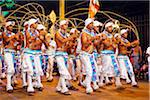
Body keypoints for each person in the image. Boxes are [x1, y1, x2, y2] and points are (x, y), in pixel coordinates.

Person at [55, 19, 77, 95]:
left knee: (63, 71)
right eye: (65, 25)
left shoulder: (67, 35)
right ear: (61, 26)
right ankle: (64, 88)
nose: (66, 26)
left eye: (67, 25)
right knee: (63, 71)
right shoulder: (57, 33)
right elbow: (62, 41)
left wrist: (73, 41)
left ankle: (58, 87)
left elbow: (68, 45)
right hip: (59, 54)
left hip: (65, 54)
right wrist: (71, 37)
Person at [23, 18, 44, 95]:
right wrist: (38, 37)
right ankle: (30, 87)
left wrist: (40, 39)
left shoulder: (37, 32)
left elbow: (38, 42)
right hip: (28, 53)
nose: (37, 24)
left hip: (36, 53)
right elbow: (29, 40)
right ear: (32, 25)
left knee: (38, 69)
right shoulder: (27, 31)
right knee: (30, 70)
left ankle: (37, 83)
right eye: (36, 23)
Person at [100, 22, 123, 89]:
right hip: (105, 54)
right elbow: (107, 44)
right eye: (110, 27)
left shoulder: (111, 36)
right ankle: (101, 82)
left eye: (112, 27)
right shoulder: (103, 35)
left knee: (116, 67)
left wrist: (116, 41)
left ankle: (118, 82)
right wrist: (113, 43)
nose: (111, 28)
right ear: (106, 28)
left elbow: (115, 44)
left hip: (112, 54)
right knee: (105, 68)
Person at [80, 18, 100, 94]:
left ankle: (86, 83)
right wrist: (94, 38)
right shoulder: (83, 33)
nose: (93, 25)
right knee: (89, 71)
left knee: (95, 70)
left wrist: (100, 39)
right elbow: (85, 44)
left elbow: (95, 44)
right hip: (84, 55)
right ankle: (88, 86)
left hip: (91, 55)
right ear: (87, 25)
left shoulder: (92, 33)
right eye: (91, 24)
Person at [2, 21, 21, 92]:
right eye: (10, 26)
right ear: (7, 27)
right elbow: (6, 40)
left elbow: (16, 43)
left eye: (12, 26)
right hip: (7, 52)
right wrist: (14, 36)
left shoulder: (13, 34)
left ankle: (12, 81)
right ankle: (8, 85)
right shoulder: (4, 33)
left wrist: (18, 41)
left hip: (14, 52)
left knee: (15, 68)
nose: (11, 27)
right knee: (10, 68)